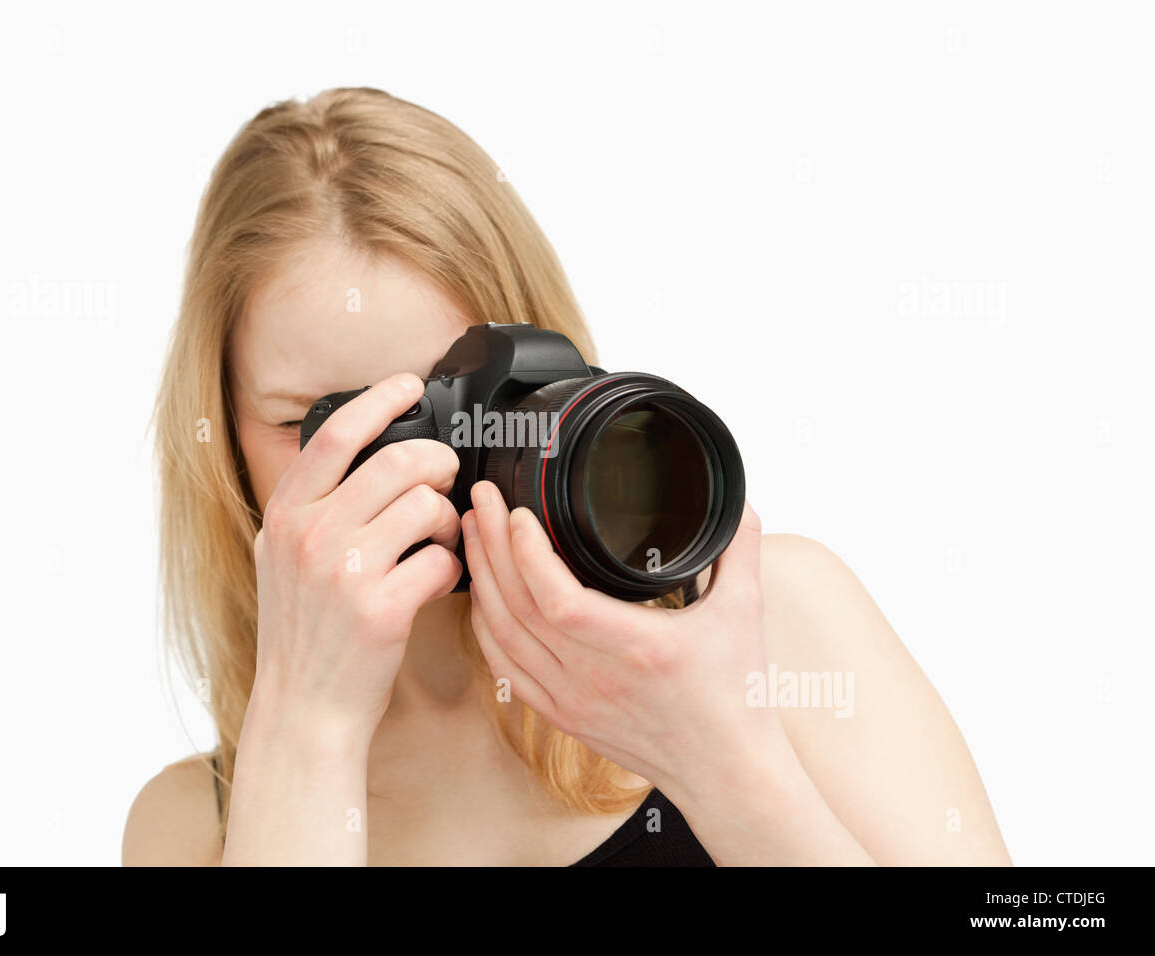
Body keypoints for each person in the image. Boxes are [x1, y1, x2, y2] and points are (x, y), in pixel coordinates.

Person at [122, 87, 1011, 866]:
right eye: (320, 424)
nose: (412, 467)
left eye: (460, 402)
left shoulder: (778, 626)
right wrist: (308, 727)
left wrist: (720, 762)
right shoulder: (193, 826)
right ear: (221, 443)